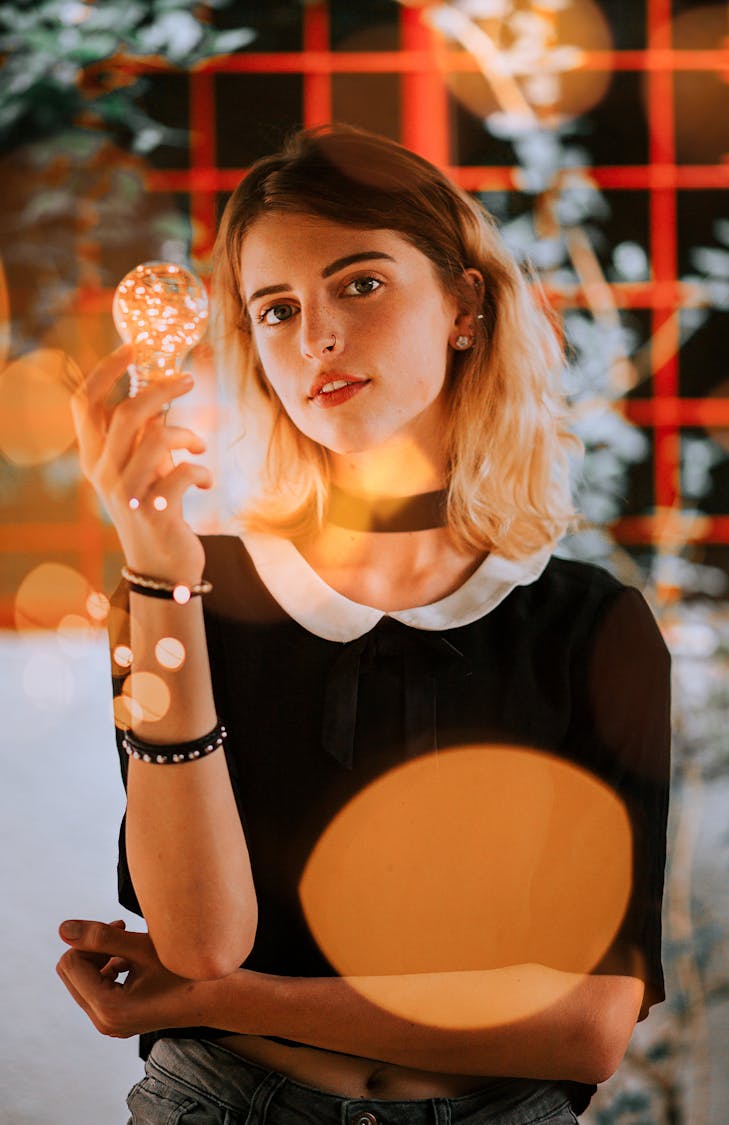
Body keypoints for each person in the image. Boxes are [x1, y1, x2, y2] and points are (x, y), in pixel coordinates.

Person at [57, 124, 670, 1125]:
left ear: (465, 304)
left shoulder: (596, 627)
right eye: (276, 309)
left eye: (360, 284)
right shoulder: (175, 595)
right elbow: (202, 941)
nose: (317, 337)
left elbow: (590, 1024)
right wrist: (161, 578)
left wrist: (235, 1001)